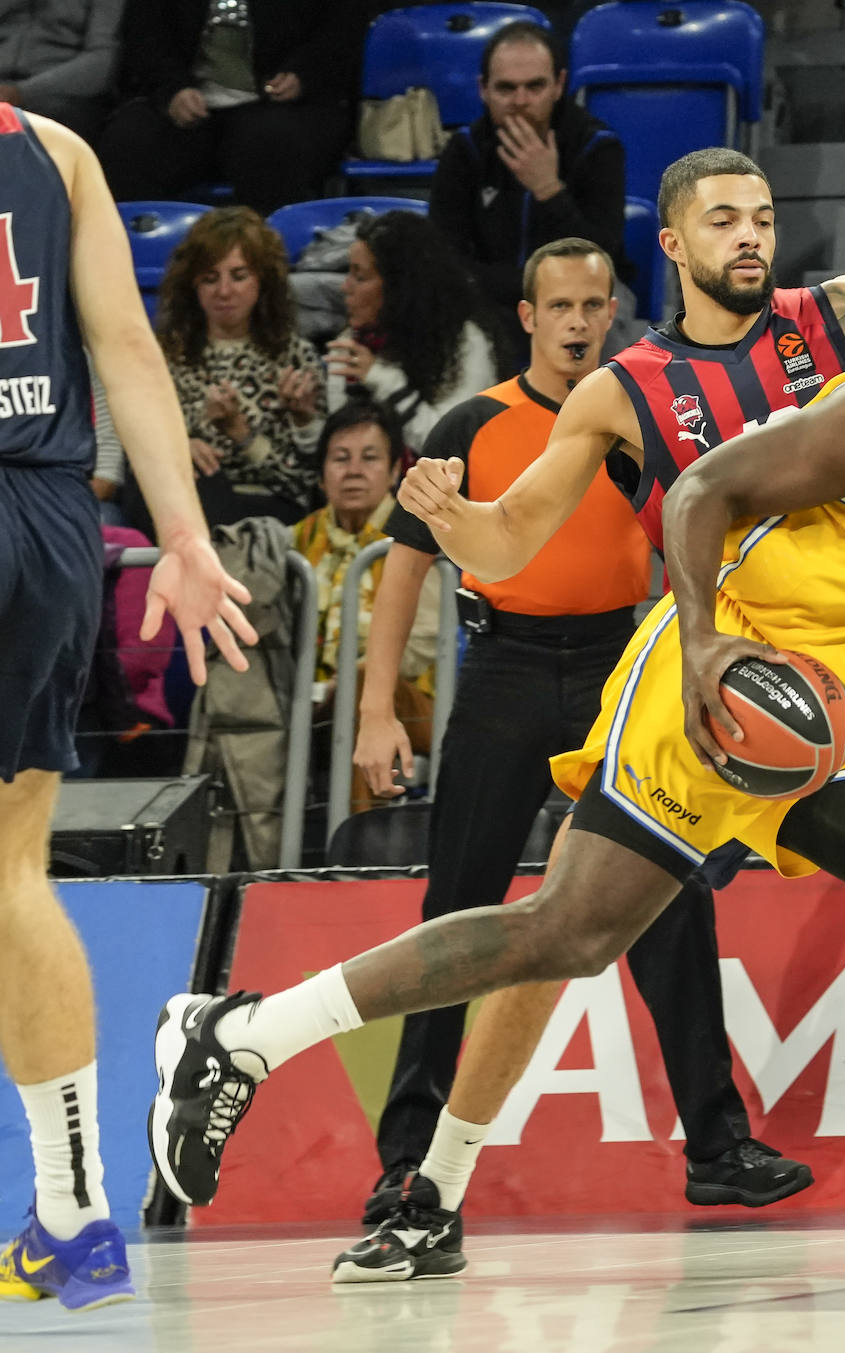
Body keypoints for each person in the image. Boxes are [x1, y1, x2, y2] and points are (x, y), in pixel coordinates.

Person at [149, 255, 845, 1281]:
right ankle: (246, 1033)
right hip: (715, 691)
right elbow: (701, 488)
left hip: (815, 710)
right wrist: (699, 643)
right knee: (561, 933)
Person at [324, 151, 845, 1274]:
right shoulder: (621, 388)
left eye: (765, 216)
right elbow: (511, 541)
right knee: (570, 932)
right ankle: (432, 1189)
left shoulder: (843, 315)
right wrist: (453, 524)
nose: (751, 235)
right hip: (735, 672)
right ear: (675, 244)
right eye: (723, 219)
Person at [341, 238, 810, 1275]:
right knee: (458, 907)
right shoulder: (472, 425)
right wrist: (380, 712)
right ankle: (408, 1163)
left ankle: (718, 1142)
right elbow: (405, 574)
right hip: (505, 676)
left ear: (611, 313)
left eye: (595, 304)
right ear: (527, 315)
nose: (577, 321)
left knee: (669, 899)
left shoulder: (640, 418)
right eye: (559, 305)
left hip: (615, 661)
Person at [0, 104, 255, 1311]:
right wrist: (186, 542)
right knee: (13, 876)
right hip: (48, 528)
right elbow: (131, 354)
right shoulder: (56, 152)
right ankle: (73, 1217)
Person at [428, 21, 632, 361]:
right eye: (506, 89)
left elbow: (600, 260)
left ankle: (601, 412)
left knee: (598, 321)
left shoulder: (597, 147)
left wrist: (549, 190)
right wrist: (524, 291)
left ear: (559, 85)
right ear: (484, 89)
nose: (520, 101)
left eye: (534, 87)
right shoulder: (465, 151)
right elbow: (445, 259)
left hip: (581, 294)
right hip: (490, 297)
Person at [292, 398, 438, 813]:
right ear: (321, 474)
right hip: (310, 698)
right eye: (340, 458)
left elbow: (422, 644)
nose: (354, 470)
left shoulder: (417, 535)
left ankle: (353, 856)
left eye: (370, 458)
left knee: (362, 689)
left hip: (413, 700)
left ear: (395, 470)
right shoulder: (296, 541)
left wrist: (355, 677)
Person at [143, 205, 323, 528]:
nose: (224, 291)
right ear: (192, 286)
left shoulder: (295, 358)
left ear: (262, 282)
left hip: (266, 507)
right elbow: (140, 450)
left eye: (239, 276)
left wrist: (242, 434)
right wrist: (178, 449)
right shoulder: (166, 356)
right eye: (210, 279)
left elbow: (302, 486)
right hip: (185, 498)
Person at [97, 0, 366, 215]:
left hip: (285, 104)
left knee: (269, 144)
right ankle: (133, 263)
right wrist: (173, 88)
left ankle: (264, 265)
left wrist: (303, 74)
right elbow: (145, 32)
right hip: (187, 98)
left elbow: (343, 30)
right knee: (128, 141)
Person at [325, 211, 503, 457]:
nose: (345, 287)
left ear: (398, 288)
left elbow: (449, 449)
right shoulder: (351, 343)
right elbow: (340, 452)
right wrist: (304, 420)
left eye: (360, 276)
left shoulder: (465, 343)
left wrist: (382, 379)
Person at [0, 0, 123, 144]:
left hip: (55, 92)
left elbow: (101, 64)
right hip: (5, 84)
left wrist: (21, 92)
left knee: (68, 118)